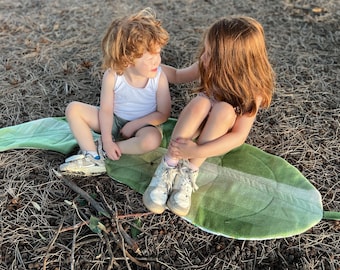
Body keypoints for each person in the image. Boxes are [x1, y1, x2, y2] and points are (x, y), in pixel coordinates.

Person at [143, 16, 275, 217]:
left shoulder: (253, 91)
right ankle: (168, 164)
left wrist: (198, 149)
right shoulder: (207, 63)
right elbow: (178, 75)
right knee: (201, 102)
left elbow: (238, 136)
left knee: (224, 110)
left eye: (210, 54)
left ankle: (189, 171)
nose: (203, 57)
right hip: (193, 125)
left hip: (215, 137)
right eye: (205, 50)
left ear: (231, 63)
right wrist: (148, 68)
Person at [59, 8, 171, 176]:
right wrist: (106, 138)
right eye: (150, 58)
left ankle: (108, 151)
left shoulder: (158, 77)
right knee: (73, 109)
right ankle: (92, 155)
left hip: (144, 125)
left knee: (152, 140)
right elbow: (106, 110)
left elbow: (163, 113)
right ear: (128, 59)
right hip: (114, 120)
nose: (157, 60)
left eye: (159, 53)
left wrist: (135, 124)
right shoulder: (113, 75)